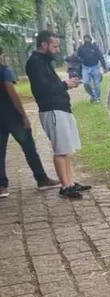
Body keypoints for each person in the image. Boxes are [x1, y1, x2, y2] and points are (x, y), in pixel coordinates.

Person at [25, 30, 92, 199]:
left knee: (66, 149)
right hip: (52, 110)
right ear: (44, 45)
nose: (57, 49)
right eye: (55, 46)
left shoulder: (44, 61)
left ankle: (70, 181)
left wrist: (68, 84)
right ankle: (65, 186)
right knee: (60, 150)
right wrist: (65, 84)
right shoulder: (35, 63)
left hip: (62, 108)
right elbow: (42, 89)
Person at [0, 47, 58, 198]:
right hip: (12, 116)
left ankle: (2, 186)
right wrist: (23, 115)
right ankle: (41, 179)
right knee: (29, 148)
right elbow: (13, 94)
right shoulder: (5, 71)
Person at [76, 34, 107, 103]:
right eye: (85, 38)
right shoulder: (81, 48)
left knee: (97, 84)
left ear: (90, 39)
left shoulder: (95, 47)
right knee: (86, 83)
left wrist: (104, 67)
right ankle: (93, 95)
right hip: (85, 68)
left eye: (87, 38)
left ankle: (97, 98)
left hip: (95, 67)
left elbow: (100, 56)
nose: (86, 39)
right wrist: (79, 60)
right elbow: (77, 57)